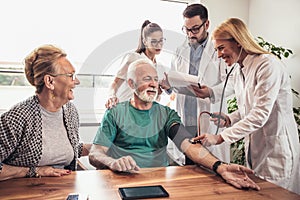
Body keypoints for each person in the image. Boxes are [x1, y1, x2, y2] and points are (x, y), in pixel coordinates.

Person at [89, 58, 260, 191]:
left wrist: (220, 167)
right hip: (122, 181)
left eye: (155, 79)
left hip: (159, 181)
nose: (153, 84)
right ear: (131, 84)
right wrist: (112, 162)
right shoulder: (115, 113)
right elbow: (95, 153)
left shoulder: (166, 114)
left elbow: (188, 145)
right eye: (147, 79)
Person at [192, 18, 300, 193]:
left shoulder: (267, 65)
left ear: (238, 41)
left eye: (221, 48)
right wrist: (229, 118)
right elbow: (247, 107)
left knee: (275, 195)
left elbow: (259, 113)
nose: (219, 55)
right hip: (258, 148)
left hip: (277, 149)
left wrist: (220, 137)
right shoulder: (240, 68)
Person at [0, 44, 90, 181]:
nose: (76, 81)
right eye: (70, 75)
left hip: (63, 190)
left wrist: (103, 147)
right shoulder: (17, 118)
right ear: (49, 81)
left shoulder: (70, 111)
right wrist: (33, 171)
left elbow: (66, 149)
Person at [165, 3, 231, 164]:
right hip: (185, 122)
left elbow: (232, 84)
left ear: (206, 24)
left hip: (209, 119)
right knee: (188, 169)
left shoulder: (218, 50)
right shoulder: (180, 50)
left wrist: (211, 92)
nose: (190, 34)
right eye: (186, 29)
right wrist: (168, 86)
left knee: (211, 169)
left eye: (195, 29)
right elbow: (175, 80)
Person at [105, 20, 168, 109]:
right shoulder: (133, 58)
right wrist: (111, 96)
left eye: (161, 40)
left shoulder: (160, 68)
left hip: (145, 115)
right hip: (125, 110)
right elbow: (115, 83)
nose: (159, 45)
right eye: (154, 41)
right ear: (145, 41)